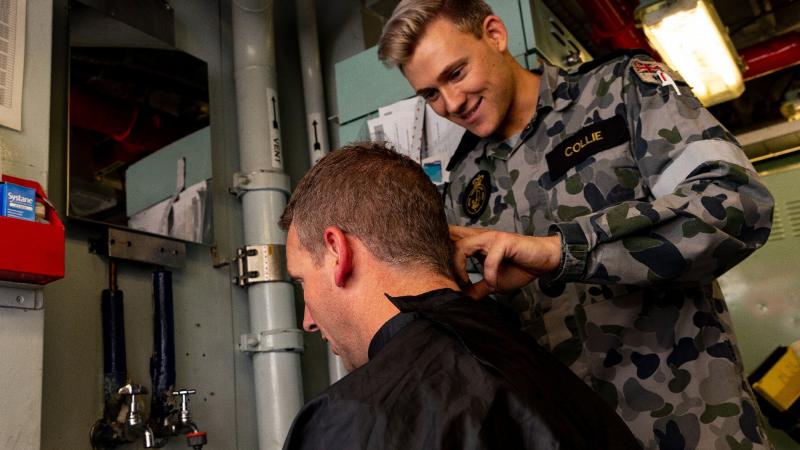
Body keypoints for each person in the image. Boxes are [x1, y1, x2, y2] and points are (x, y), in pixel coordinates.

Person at [378, 1, 775, 449]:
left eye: (455, 74)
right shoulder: (465, 181)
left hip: (695, 427)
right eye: (430, 94)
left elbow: (736, 203)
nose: (450, 103)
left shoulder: (618, 91)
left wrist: (560, 251)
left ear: (494, 35)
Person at [279, 143, 641, 449]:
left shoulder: (348, 420)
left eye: (302, 281)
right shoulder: (561, 385)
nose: (308, 321)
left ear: (336, 252)